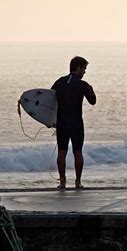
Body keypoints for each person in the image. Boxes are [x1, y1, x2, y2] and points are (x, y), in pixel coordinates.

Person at [51, 56, 96, 189]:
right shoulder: (83, 85)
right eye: (84, 69)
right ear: (78, 68)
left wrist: (49, 120)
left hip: (62, 123)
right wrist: (91, 89)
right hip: (76, 123)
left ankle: (62, 182)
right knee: (78, 152)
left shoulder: (59, 82)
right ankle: (78, 182)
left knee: (61, 152)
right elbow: (93, 101)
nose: (84, 72)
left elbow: (49, 100)